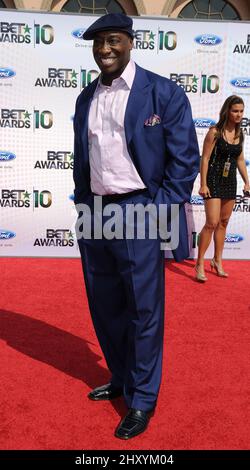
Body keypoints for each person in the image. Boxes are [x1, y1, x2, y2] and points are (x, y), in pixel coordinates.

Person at [73, 13, 199, 439]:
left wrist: (157, 211)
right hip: (96, 214)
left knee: (143, 310)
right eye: (97, 43)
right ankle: (123, 378)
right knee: (105, 305)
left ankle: (142, 399)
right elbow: (82, 158)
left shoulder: (163, 93)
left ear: (129, 42)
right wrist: (83, 205)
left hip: (141, 209)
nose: (104, 49)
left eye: (112, 41)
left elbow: (184, 162)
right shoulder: (85, 97)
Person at [196, 95, 250, 282]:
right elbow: (204, 159)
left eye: (241, 111)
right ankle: (200, 262)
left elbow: (240, 160)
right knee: (211, 222)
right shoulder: (215, 132)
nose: (239, 114)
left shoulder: (239, 133)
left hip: (230, 181)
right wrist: (203, 184)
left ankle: (217, 260)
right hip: (213, 179)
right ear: (227, 110)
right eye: (235, 111)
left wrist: (247, 181)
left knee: (224, 223)